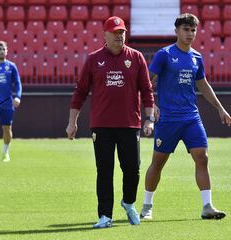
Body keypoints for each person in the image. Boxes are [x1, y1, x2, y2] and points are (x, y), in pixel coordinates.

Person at [140, 13, 231, 220]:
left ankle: (207, 206)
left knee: (202, 158)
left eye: (193, 30)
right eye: (186, 29)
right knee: (158, 162)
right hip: (168, 120)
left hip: (191, 117)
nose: (190, 33)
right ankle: (147, 205)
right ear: (177, 31)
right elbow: (146, 82)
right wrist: (152, 104)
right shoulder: (164, 54)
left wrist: (221, 108)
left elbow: (204, 86)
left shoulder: (197, 57)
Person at [66, 16, 155, 228]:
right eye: (115, 32)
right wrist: (72, 122)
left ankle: (128, 202)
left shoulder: (136, 57)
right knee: (104, 171)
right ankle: (105, 216)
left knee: (132, 169)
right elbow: (80, 92)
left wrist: (150, 118)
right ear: (105, 34)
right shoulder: (94, 59)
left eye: (122, 32)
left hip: (130, 123)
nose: (119, 36)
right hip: (102, 125)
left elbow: (147, 90)